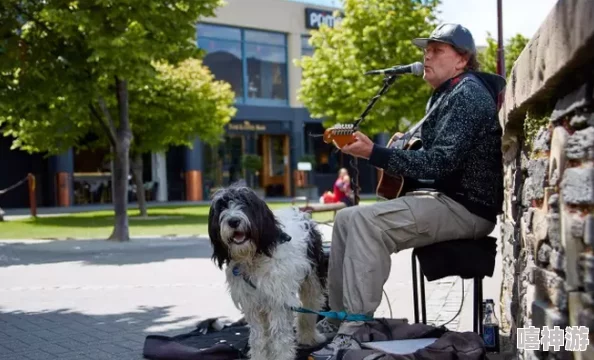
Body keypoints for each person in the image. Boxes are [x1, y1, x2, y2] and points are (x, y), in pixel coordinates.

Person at [310, 23, 506, 358]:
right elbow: (434, 162)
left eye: (437, 50)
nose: (426, 55)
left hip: (466, 207)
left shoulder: (468, 95)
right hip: (442, 199)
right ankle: (337, 319)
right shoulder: (446, 94)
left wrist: (375, 153)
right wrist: (393, 152)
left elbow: (440, 164)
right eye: (425, 49)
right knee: (347, 219)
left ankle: (354, 327)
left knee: (363, 222)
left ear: (462, 60)